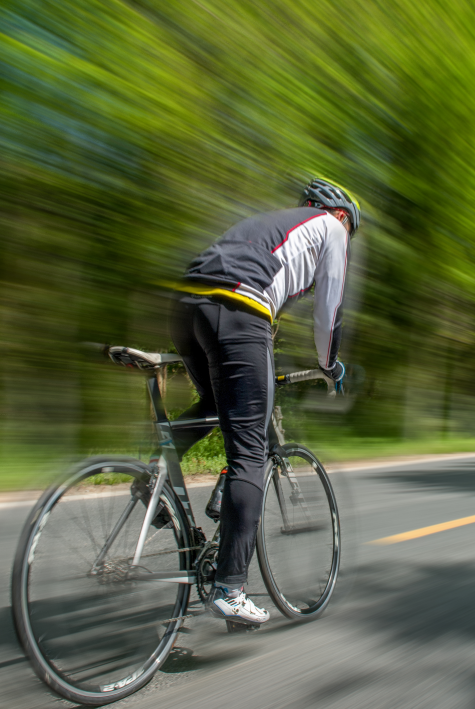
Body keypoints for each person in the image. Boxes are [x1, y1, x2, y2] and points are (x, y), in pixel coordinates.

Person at [167, 177, 359, 625]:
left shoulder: (269, 228)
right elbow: (328, 312)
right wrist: (329, 364)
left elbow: (266, 300)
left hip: (185, 304)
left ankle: (151, 475)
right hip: (237, 311)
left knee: (216, 405)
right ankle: (231, 588)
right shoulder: (331, 230)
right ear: (342, 216)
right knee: (250, 452)